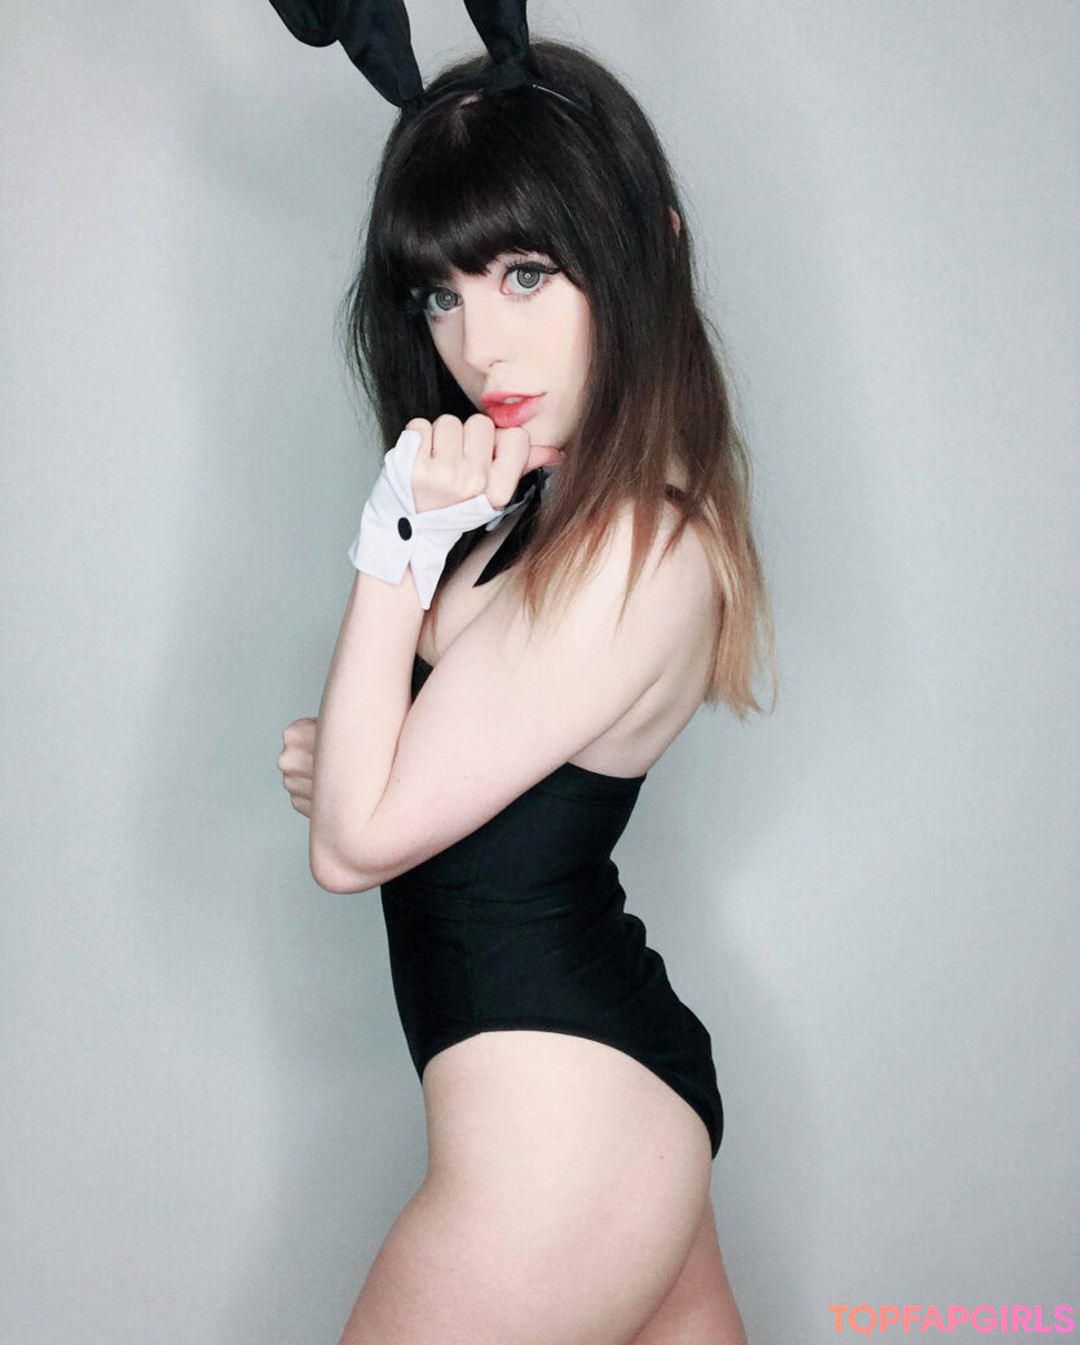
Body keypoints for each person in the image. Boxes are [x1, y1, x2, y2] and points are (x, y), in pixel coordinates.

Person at [273, 5, 775, 1341]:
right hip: (593, 1101)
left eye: (526, 275)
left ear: (644, 250)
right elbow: (405, 781)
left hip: (559, 1141)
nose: (478, 347)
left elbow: (356, 843)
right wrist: (367, 750)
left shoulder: (640, 545)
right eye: (442, 293)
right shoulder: (539, 517)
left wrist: (394, 536)